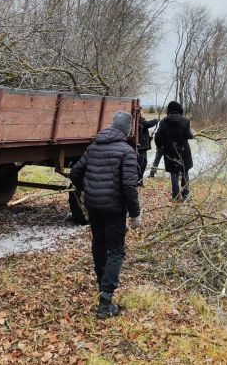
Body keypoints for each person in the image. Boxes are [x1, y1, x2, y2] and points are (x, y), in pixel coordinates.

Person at [70, 111, 141, 319]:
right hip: (113, 209)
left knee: (99, 244)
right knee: (116, 251)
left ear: (112, 126)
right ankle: (105, 302)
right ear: (127, 130)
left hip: (93, 206)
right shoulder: (126, 151)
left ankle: (102, 285)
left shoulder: (94, 146)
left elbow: (75, 173)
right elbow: (129, 186)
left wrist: (87, 189)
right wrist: (135, 214)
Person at [154, 101, 194, 201]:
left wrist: (160, 147)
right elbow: (187, 135)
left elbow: (157, 136)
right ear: (179, 109)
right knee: (184, 172)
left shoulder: (163, 122)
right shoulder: (186, 121)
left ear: (169, 110)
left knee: (174, 173)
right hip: (183, 151)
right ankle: (185, 194)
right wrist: (191, 135)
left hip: (169, 151)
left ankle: (175, 196)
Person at [136, 112, 158, 186]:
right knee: (140, 165)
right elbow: (147, 124)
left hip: (143, 147)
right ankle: (138, 182)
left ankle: (140, 181)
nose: (141, 112)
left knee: (143, 164)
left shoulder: (139, 119)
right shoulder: (136, 120)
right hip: (140, 147)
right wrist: (156, 120)